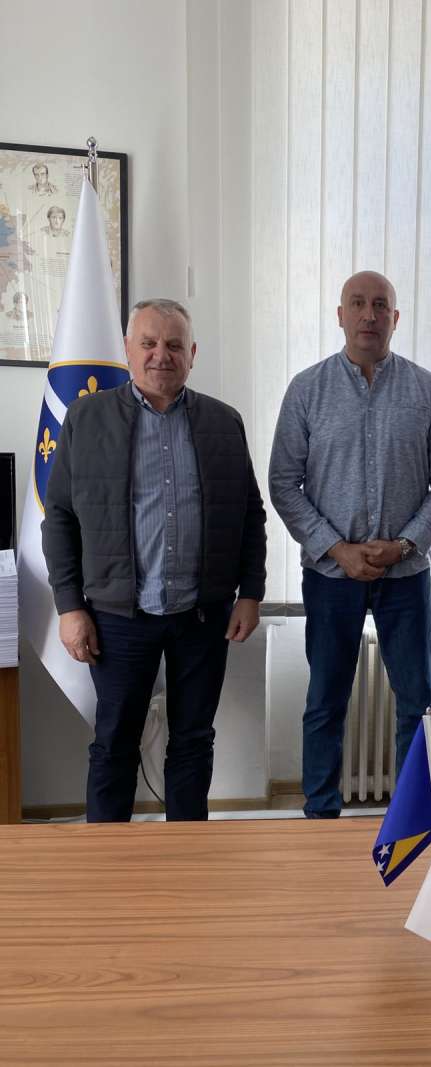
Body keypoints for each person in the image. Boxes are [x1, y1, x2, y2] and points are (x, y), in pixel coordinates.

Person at [42, 299, 267, 822]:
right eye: (148, 343)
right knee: (114, 743)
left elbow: (249, 513)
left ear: (192, 353)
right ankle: (110, 859)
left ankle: (186, 857)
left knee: (193, 742)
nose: (160, 355)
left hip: (202, 616)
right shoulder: (86, 419)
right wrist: (69, 607)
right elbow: (60, 518)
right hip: (118, 617)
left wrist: (251, 593)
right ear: (128, 349)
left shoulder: (224, 422)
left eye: (173, 345)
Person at [269, 270, 431, 819]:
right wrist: (337, 548)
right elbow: (283, 482)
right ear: (340, 315)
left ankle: (414, 816)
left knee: (417, 703)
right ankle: (321, 814)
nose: (369, 315)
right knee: (325, 701)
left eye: (380, 305)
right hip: (331, 576)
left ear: (395, 319)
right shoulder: (307, 389)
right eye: (357, 303)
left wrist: (405, 544)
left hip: (406, 576)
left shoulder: (428, 391)